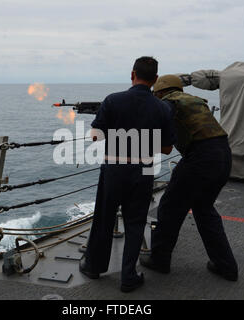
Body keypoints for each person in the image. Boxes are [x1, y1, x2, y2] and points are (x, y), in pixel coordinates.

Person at [79, 57, 175, 293]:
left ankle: (93, 267)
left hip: (114, 169)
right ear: (154, 80)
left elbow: (95, 137)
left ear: (132, 74)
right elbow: (167, 149)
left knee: (104, 218)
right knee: (135, 223)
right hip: (142, 171)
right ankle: (128, 277)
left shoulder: (112, 100)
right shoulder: (163, 107)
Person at [140, 74, 238, 281]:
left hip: (200, 158)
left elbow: (158, 124)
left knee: (169, 207)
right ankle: (226, 265)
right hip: (223, 155)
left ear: (160, 92)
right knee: (204, 209)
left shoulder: (168, 103)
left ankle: (159, 260)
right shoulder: (192, 100)